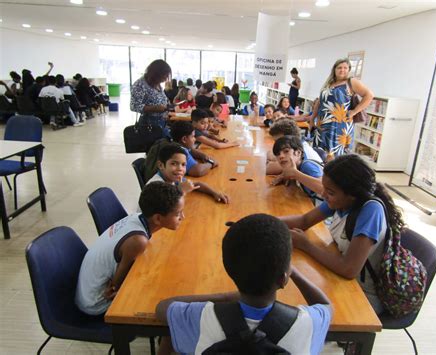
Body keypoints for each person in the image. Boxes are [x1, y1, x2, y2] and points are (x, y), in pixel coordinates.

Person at [156, 213, 332, 354]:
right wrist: (294, 273)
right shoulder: (306, 323)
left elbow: (163, 307)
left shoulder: (202, 317)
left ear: (228, 270)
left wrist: (225, 297)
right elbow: (326, 306)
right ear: (282, 278)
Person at [281, 154, 404, 315]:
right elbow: (304, 220)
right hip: (340, 276)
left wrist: (306, 245)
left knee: (292, 303)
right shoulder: (342, 200)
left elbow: (349, 269)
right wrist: (261, 221)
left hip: (362, 294)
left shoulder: (370, 211)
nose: (323, 195)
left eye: (330, 192)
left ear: (352, 194)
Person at [75, 182, 185, 315]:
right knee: (165, 291)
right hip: (96, 302)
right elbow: (117, 284)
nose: (182, 217)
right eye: (178, 214)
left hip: (87, 290)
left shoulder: (136, 217)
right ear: (157, 218)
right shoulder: (138, 241)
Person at [311, 58, 373, 156]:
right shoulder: (329, 83)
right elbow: (320, 101)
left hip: (339, 125)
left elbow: (369, 95)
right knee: (319, 153)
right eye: (339, 67)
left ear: (349, 70)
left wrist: (354, 111)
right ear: (334, 70)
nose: (342, 70)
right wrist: (312, 118)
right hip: (322, 124)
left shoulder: (351, 82)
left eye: (345, 68)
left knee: (334, 155)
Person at [147, 142, 229, 204]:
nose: (180, 169)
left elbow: (197, 184)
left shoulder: (171, 177)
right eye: (173, 163)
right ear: (161, 165)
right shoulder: (156, 185)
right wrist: (182, 191)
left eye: (183, 165)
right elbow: (168, 209)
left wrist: (215, 193)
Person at [130, 59, 172, 132]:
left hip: (161, 122)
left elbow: (159, 99)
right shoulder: (140, 85)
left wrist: (167, 104)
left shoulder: (156, 83)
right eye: (164, 76)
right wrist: (155, 108)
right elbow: (134, 106)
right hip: (149, 124)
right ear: (157, 74)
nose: (165, 79)